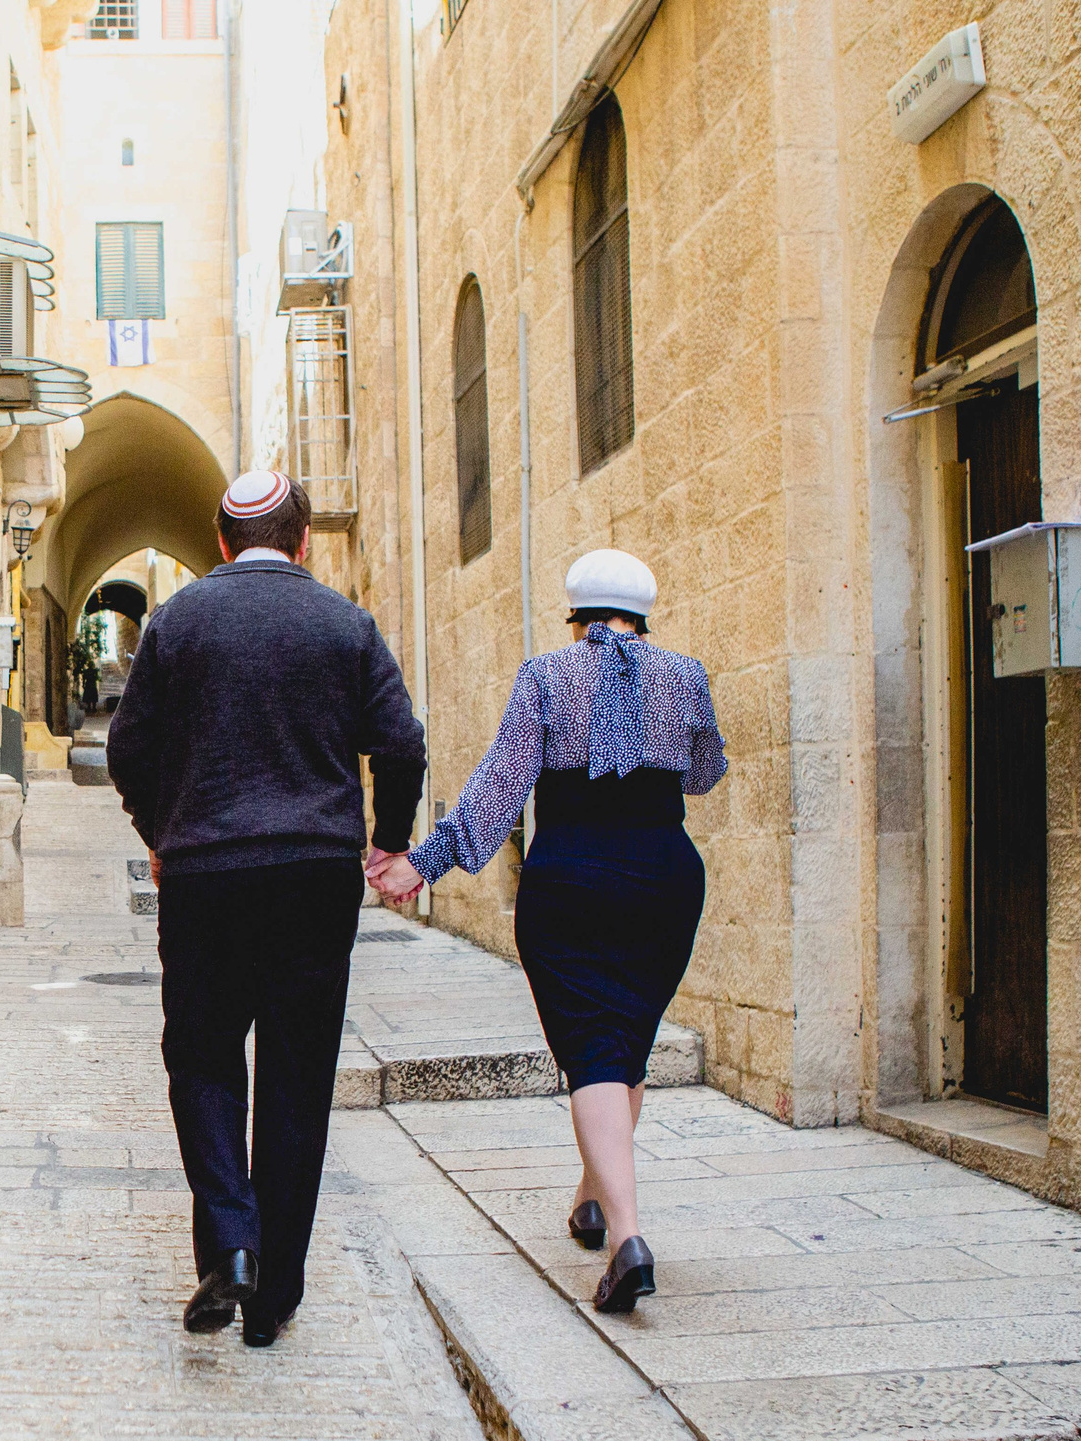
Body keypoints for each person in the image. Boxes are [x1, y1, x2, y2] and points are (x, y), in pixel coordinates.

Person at [108, 471, 427, 1347]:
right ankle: (274, 1295)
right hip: (316, 873)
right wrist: (389, 840)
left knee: (203, 1054)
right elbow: (401, 743)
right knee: (296, 1072)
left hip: (208, 871)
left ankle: (231, 1246)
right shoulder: (345, 624)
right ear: (306, 538)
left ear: (219, 542)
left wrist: (162, 830)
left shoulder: (178, 622)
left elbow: (129, 750)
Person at [370, 548, 725, 1314]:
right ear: (642, 614)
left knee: (597, 1046)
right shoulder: (685, 673)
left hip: (571, 878)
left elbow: (500, 787)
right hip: (664, 878)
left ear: (577, 614)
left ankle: (627, 1236)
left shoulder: (546, 677)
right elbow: (704, 773)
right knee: (624, 1039)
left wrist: (421, 863)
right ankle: (591, 1199)